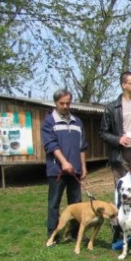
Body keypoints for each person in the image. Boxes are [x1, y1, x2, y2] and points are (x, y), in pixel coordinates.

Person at [41, 89, 88, 239]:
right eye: (62, 103)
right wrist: (64, 162)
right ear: (56, 103)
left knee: (76, 204)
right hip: (57, 170)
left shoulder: (77, 122)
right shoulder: (49, 122)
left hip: (75, 170)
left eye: (68, 103)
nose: (66, 106)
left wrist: (83, 167)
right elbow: (51, 145)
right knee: (54, 203)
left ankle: (74, 233)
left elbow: (82, 146)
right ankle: (53, 235)